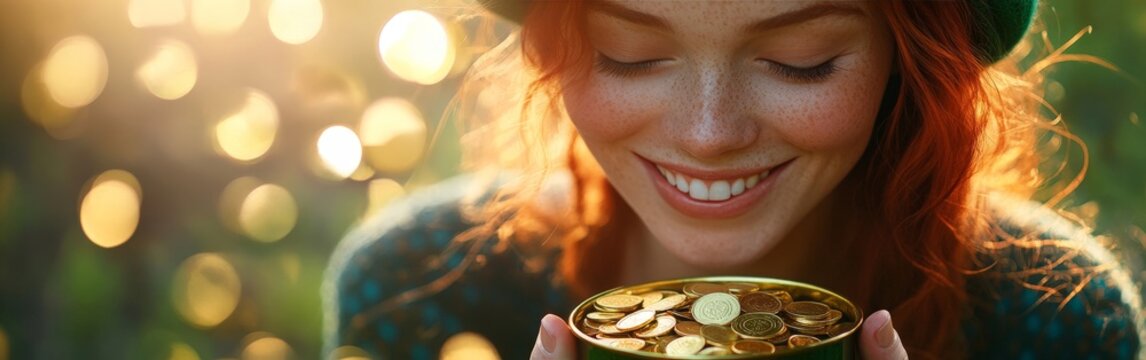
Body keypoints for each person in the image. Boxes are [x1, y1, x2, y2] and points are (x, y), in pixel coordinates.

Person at [323, 1, 1144, 359]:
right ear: (553, 50)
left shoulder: (1052, 319)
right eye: (631, 55)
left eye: (801, 63)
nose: (708, 135)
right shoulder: (418, 291)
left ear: (912, 62)